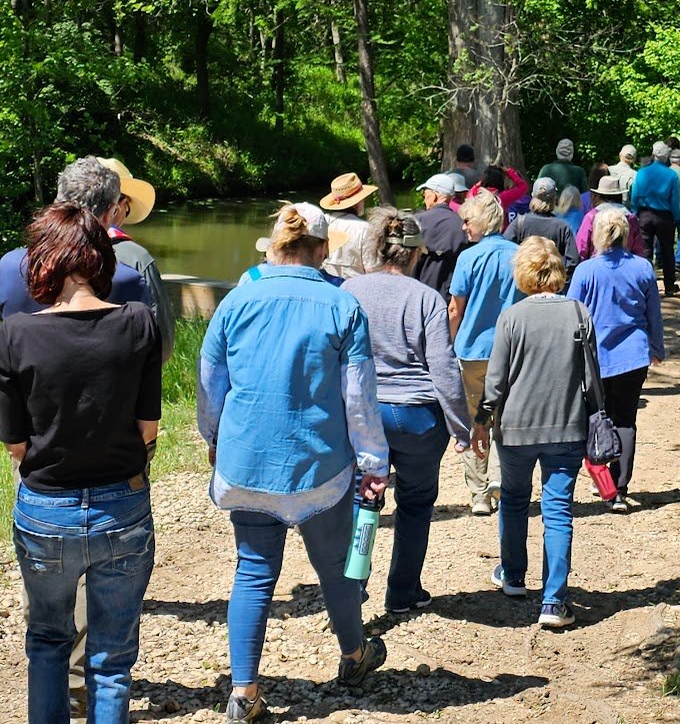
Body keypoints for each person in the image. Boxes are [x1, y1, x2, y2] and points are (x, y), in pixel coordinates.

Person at [198, 202, 389, 721]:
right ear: (323, 250)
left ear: (274, 246)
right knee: (335, 569)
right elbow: (359, 397)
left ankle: (244, 692)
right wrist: (373, 462)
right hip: (319, 465)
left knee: (254, 571)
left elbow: (211, 382)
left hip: (247, 463)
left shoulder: (236, 301)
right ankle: (354, 655)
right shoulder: (341, 305)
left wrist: (212, 438)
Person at [0, 202, 161, 724]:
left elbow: (16, 446)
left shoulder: (16, 334)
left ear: (41, 263)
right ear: (100, 258)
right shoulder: (138, 322)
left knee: (47, 640)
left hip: (47, 507)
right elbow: (148, 429)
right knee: (112, 657)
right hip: (123, 504)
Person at [343, 209, 484, 613]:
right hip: (418, 416)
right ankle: (402, 592)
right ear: (416, 254)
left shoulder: (351, 292)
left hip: (364, 413)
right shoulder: (426, 298)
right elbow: (443, 369)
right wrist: (461, 428)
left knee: (363, 497)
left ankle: (352, 589)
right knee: (416, 503)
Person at [476, 237, 600, 629]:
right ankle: (553, 601)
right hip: (566, 425)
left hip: (515, 429)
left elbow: (495, 382)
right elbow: (591, 375)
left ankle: (513, 577)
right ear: (559, 273)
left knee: (513, 500)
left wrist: (481, 419)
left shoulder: (512, 318)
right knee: (558, 509)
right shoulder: (578, 313)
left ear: (524, 275)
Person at [567, 208, 665, 512]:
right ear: (626, 234)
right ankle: (619, 488)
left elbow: (571, 314)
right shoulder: (643, 268)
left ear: (597, 234)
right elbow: (653, 315)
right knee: (625, 419)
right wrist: (657, 348)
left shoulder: (585, 271)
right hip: (633, 356)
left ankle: (605, 483)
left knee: (596, 418)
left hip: (595, 358)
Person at [448, 190, 524, 515]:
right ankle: (507, 484)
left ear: (482, 222)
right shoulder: (520, 255)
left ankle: (479, 493)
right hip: (509, 351)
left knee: (475, 420)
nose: (464, 228)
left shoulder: (468, 258)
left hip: (472, 352)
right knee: (506, 420)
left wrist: (450, 345)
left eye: (467, 221)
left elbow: (455, 309)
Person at [0, 157, 147, 319]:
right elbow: (155, 339)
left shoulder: (9, 267)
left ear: (57, 202)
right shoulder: (127, 280)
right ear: (110, 213)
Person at [95, 157, 176, 363]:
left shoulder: (32, 258)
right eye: (127, 209)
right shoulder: (136, 258)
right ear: (117, 206)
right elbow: (162, 342)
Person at [629, 141, 680, 298]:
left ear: (653, 154)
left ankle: (645, 285)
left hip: (645, 214)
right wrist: (676, 217)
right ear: (666, 157)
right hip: (664, 216)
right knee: (667, 251)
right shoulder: (671, 175)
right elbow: (674, 200)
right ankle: (669, 285)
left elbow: (635, 195)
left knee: (645, 251)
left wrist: (634, 212)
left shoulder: (642, 172)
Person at [505, 178, 581, 280]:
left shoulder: (519, 223)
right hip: (552, 288)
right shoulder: (562, 227)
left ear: (533, 197)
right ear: (554, 198)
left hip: (525, 285)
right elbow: (573, 261)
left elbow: (505, 251)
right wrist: (558, 280)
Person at [413, 173, 469, 299]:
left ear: (434, 195)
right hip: (448, 297)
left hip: (418, 294)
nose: (424, 199)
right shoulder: (462, 225)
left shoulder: (417, 221)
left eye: (425, 194)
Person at [320, 172, 378, 279]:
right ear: (357, 201)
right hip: (357, 291)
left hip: (327, 289)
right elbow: (372, 269)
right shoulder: (365, 229)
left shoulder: (323, 221)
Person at [577, 177, 644, 259]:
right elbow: (638, 250)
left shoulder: (591, 217)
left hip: (596, 266)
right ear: (619, 196)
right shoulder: (630, 218)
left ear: (598, 196)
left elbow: (581, 249)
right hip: (626, 265)